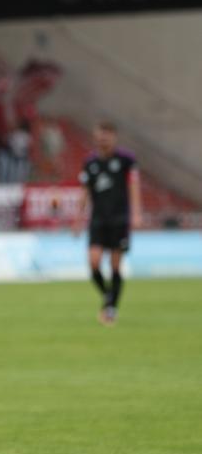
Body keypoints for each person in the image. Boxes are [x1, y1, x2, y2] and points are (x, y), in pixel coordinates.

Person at [73, 122, 142, 325]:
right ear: (96, 137)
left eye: (107, 136)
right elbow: (84, 192)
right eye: (100, 136)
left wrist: (136, 213)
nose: (104, 139)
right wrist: (78, 219)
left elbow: (134, 186)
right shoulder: (90, 163)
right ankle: (108, 297)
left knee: (115, 264)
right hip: (98, 220)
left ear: (114, 137)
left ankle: (110, 308)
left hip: (119, 219)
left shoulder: (126, 160)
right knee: (93, 262)